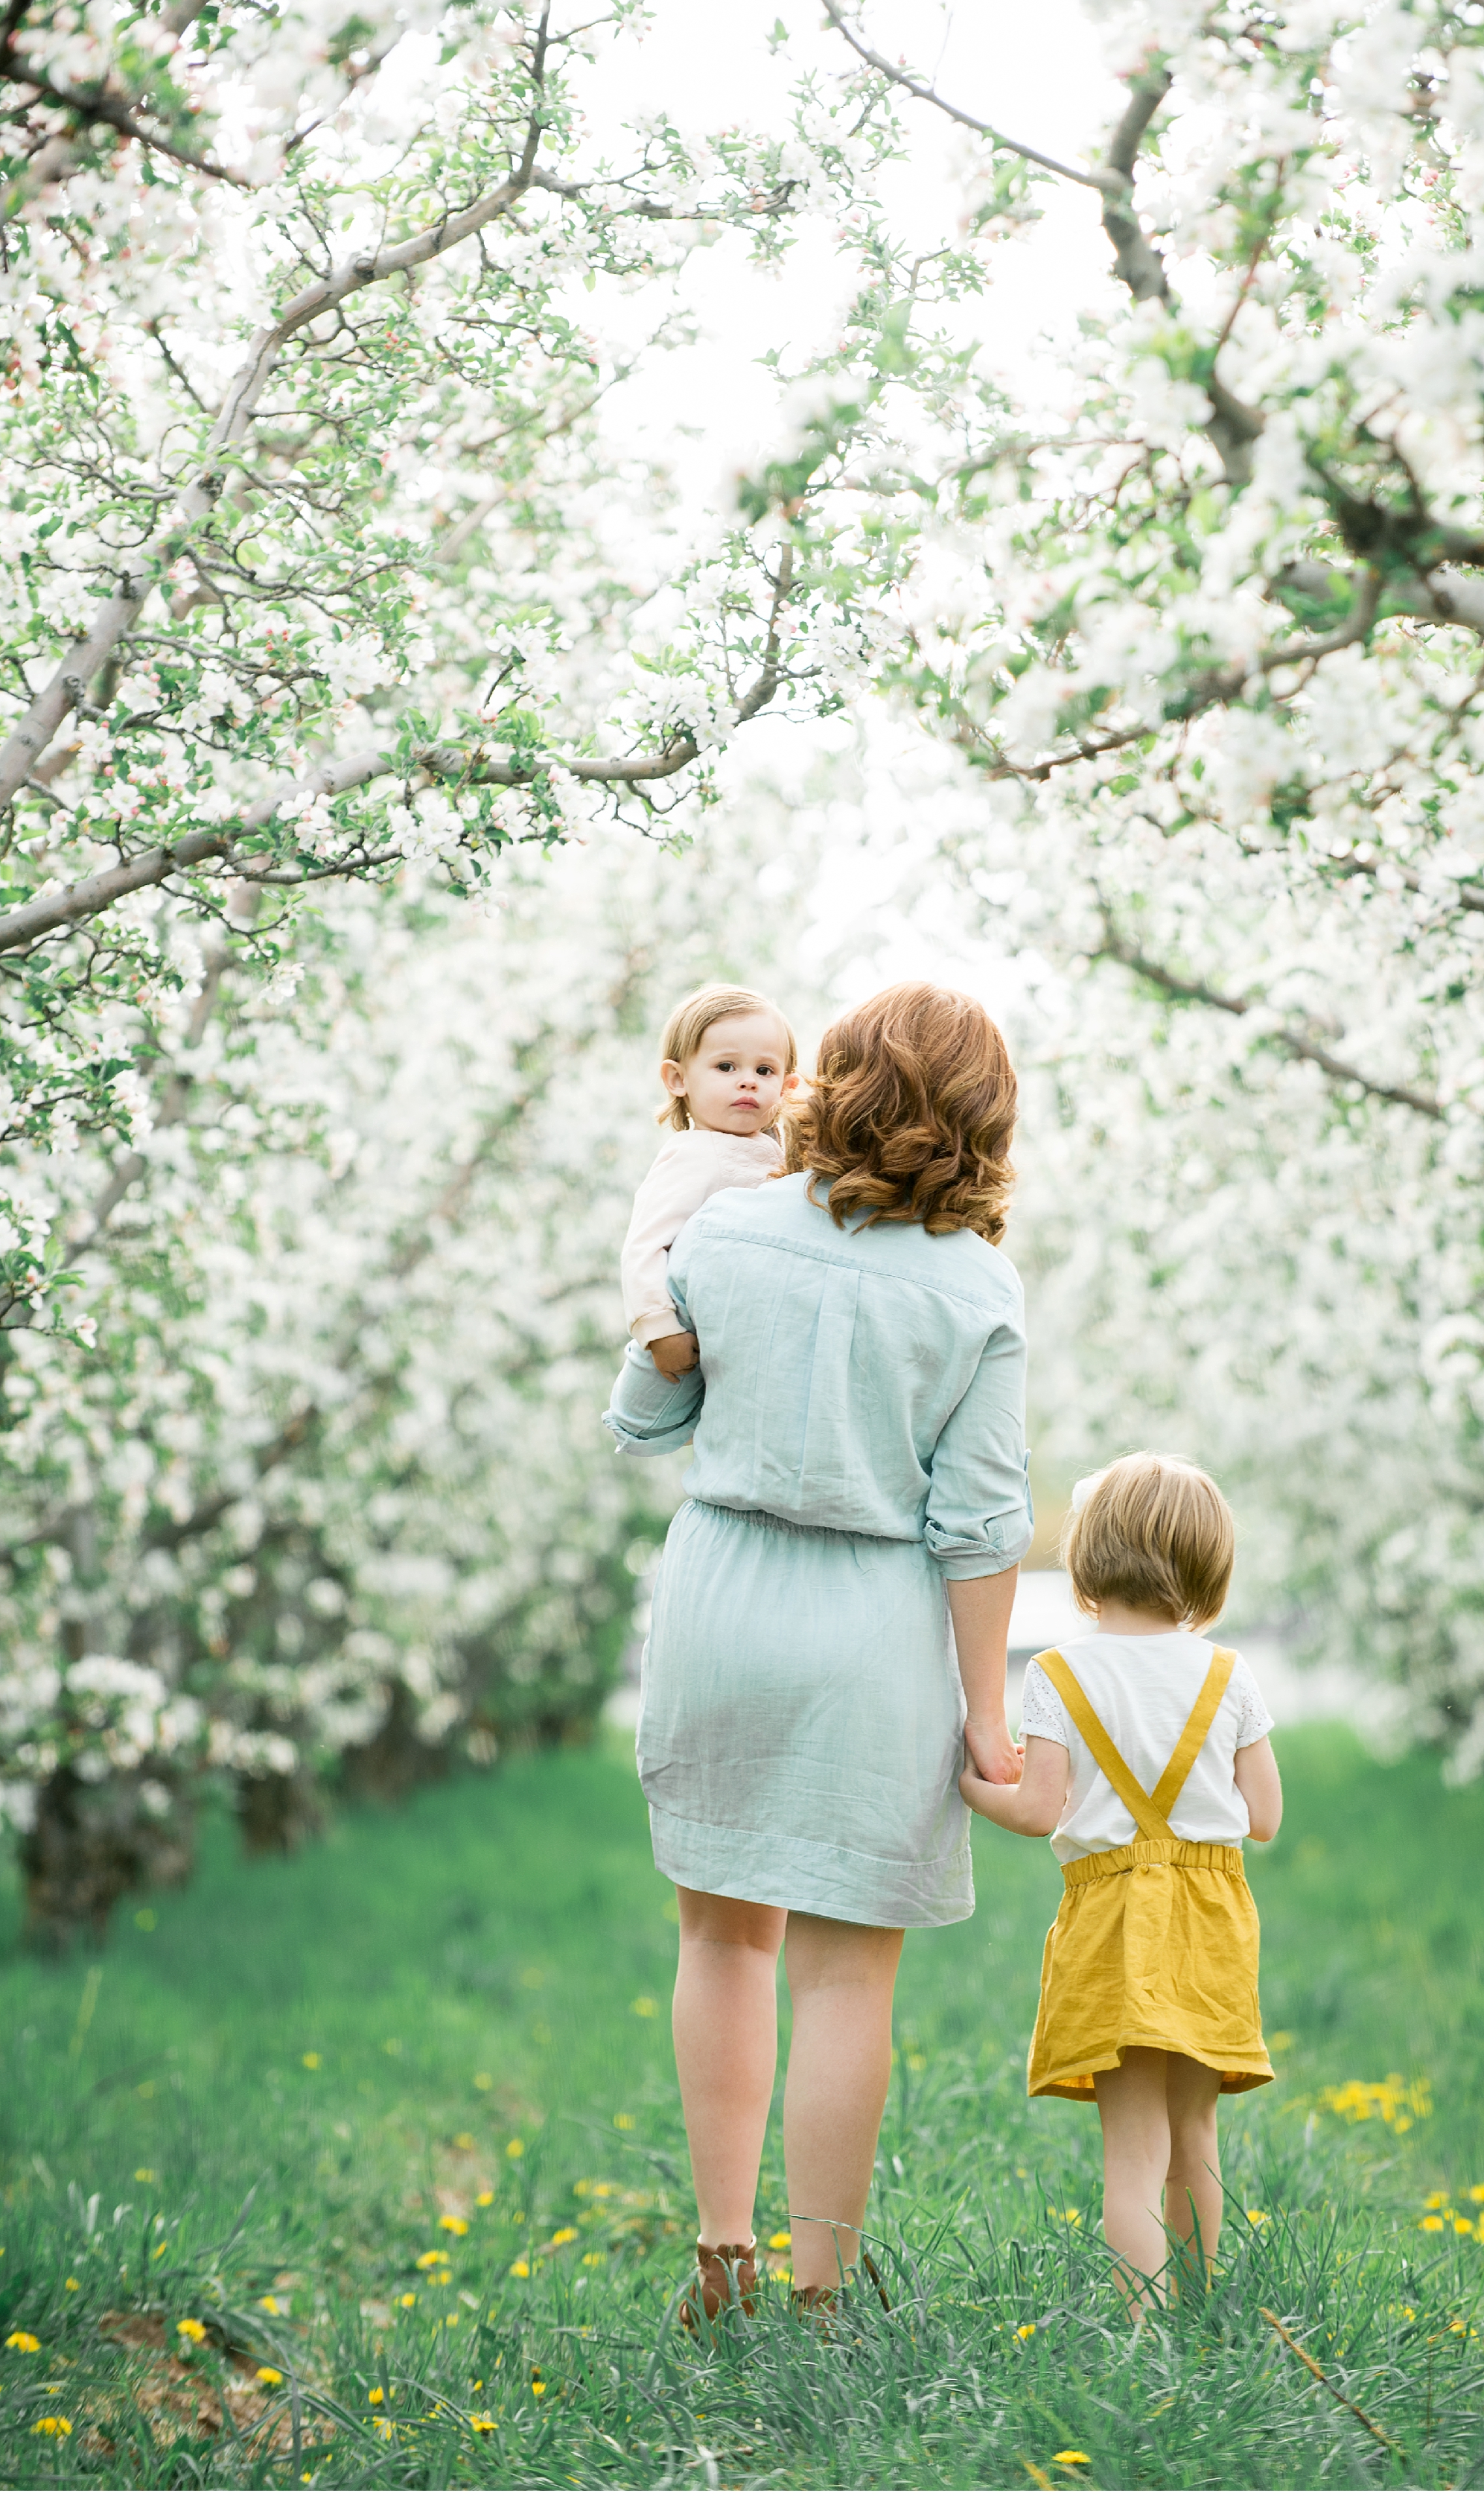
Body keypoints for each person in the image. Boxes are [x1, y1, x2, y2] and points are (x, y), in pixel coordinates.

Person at [603, 982, 1032, 2326]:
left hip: (725, 1594)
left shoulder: (725, 1224)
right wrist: (987, 1717)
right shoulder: (975, 1284)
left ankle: (720, 2248)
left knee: (721, 1934)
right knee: (847, 1969)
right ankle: (819, 2289)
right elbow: (979, 1522)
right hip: (873, 1622)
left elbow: (646, 1412)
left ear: (827, 1081)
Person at [960, 1452, 1281, 2312]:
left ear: (1088, 1557)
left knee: (1131, 2152)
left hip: (1111, 1917)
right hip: (1209, 1916)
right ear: (1208, 1566)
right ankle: (1207, 2310)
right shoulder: (1229, 1674)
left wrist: (970, 1785)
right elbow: (1264, 1816)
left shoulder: (1058, 1675)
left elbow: (1038, 1810)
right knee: (1195, 2136)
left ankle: (1144, 2334)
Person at [620, 982, 799, 1382]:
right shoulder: (694, 1153)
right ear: (678, 1079)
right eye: (726, 1067)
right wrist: (658, 1327)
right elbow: (645, 1243)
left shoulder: (779, 1150)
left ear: (787, 1087)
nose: (748, 1081)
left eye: (764, 1070)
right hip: (699, 1337)